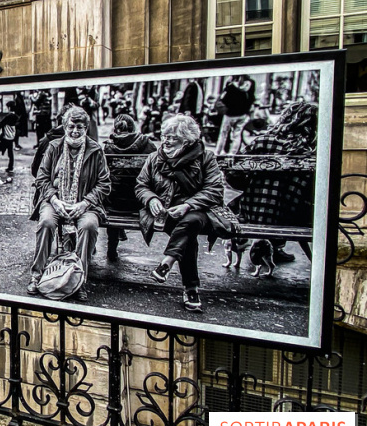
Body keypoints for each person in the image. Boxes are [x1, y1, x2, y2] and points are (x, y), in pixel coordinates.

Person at [135, 115, 224, 312]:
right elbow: (141, 185)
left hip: (197, 210)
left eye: (172, 138)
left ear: (187, 140)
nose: (166, 141)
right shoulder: (155, 158)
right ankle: (190, 289)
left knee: (190, 223)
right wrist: (151, 199)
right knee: (186, 233)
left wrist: (188, 205)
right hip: (164, 211)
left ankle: (167, 263)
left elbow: (214, 190)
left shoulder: (206, 158)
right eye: (164, 136)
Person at [28, 106, 111, 300]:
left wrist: (85, 203)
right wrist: (54, 200)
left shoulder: (95, 150)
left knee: (89, 226)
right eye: (71, 126)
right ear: (65, 126)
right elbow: (41, 178)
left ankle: (79, 279)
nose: (75, 131)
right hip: (55, 200)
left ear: (86, 128)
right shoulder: (54, 147)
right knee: (47, 222)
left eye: (80, 127)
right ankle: (37, 274)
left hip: (85, 203)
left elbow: (104, 183)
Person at [227, 102, 318, 263]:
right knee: (290, 201)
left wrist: (251, 185)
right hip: (289, 215)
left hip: (251, 210)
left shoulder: (263, 141)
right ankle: (274, 247)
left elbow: (233, 173)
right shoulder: (312, 149)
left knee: (246, 200)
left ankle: (261, 245)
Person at [102, 114, 156, 261]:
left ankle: (112, 248)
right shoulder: (148, 144)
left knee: (114, 193)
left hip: (114, 204)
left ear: (115, 129)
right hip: (139, 202)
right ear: (134, 127)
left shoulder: (108, 147)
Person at [215, 75, 256, 155]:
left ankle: (218, 152)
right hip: (242, 114)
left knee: (223, 134)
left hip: (230, 114)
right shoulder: (250, 85)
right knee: (237, 135)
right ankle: (232, 153)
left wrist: (227, 84)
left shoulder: (231, 86)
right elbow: (251, 99)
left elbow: (224, 99)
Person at [0, 102, 18, 173]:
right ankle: (10, 166)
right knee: (10, 152)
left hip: (6, 137)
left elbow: (0, 124)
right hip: (11, 137)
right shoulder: (15, 116)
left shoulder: (9, 116)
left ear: (9, 108)